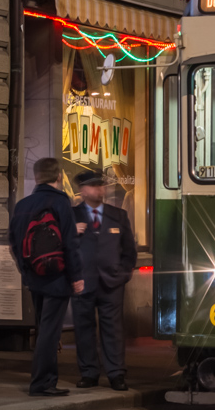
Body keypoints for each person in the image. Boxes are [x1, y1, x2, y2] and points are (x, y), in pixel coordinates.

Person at [10, 158, 84, 396]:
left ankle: (44, 380)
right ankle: (42, 383)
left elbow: (14, 242)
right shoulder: (61, 202)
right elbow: (70, 244)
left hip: (34, 278)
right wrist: (76, 276)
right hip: (57, 277)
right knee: (50, 332)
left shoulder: (23, 205)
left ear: (37, 176)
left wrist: (26, 271)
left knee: (43, 327)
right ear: (58, 177)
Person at [71, 170, 138, 391]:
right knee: (84, 329)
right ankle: (89, 373)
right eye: (93, 186)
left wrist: (123, 274)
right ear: (82, 190)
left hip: (112, 283)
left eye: (101, 185)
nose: (99, 190)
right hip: (82, 281)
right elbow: (63, 248)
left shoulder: (117, 215)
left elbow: (129, 250)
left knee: (114, 330)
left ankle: (116, 373)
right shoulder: (72, 216)